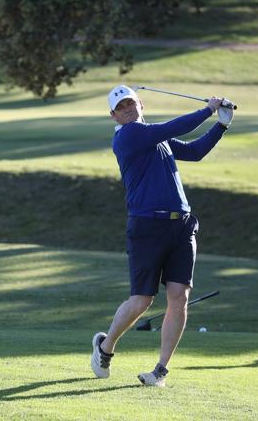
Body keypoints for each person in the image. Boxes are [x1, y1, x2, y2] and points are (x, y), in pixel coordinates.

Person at [91, 84, 234, 387]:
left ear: (141, 104)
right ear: (114, 116)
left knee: (179, 297)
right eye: (121, 108)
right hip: (147, 226)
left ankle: (160, 371)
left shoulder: (158, 139)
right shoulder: (128, 135)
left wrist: (220, 125)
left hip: (181, 225)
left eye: (131, 104)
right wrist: (208, 109)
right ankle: (105, 348)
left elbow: (194, 152)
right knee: (142, 300)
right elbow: (175, 125)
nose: (128, 110)